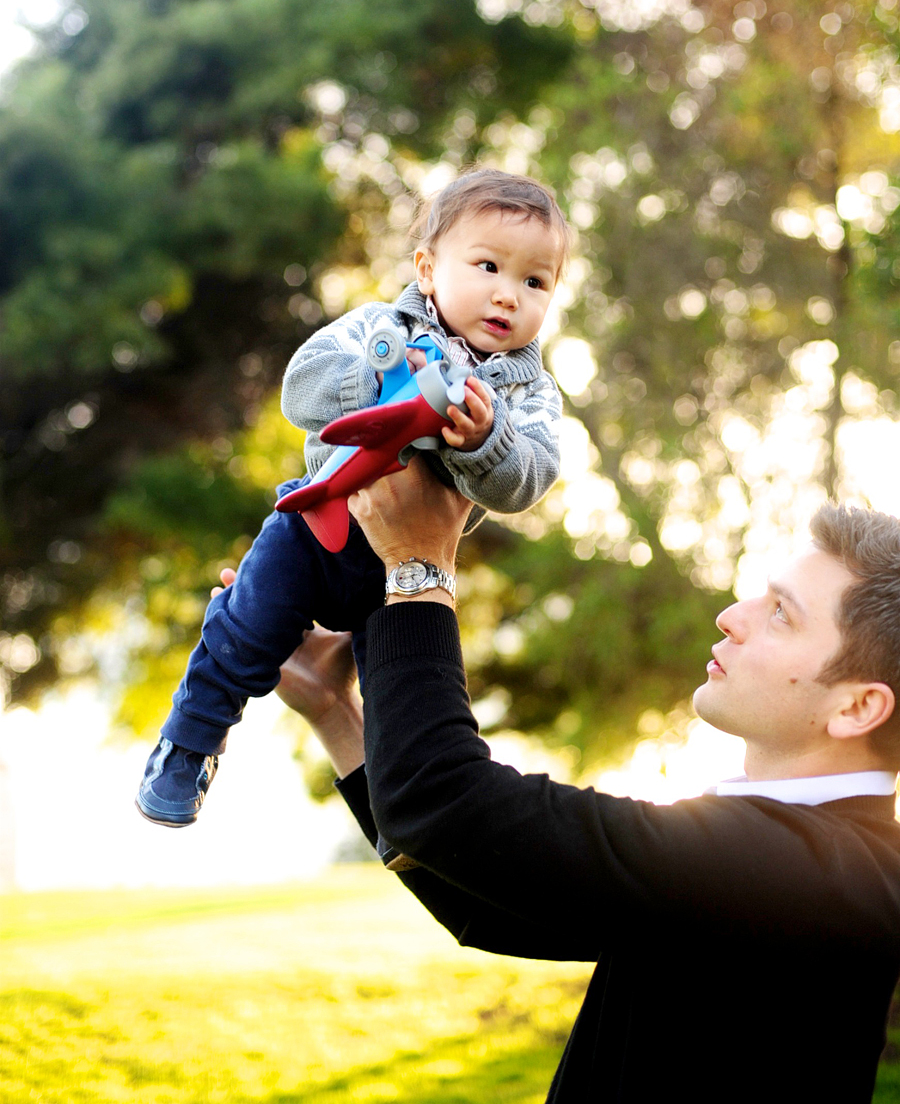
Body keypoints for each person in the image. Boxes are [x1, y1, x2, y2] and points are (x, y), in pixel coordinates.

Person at [277, 457, 900, 1102]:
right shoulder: (816, 859)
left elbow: (441, 801)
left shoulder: (806, 871)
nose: (733, 616)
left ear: (857, 707)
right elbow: (486, 905)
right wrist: (335, 711)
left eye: (781, 615)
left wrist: (417, 569)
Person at [136, 168, 568, 830]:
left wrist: (486, 437)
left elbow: (529, 479)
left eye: (535, 281)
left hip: (404, 575)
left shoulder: (525, 394)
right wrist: (381, 375)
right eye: (488, 266)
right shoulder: (374, 328)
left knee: (402, 706)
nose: (508, 294)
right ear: (427, 268)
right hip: (315, 525)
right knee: (242, 628)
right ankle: (189, 742)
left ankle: (401, 818)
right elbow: (300, 389)